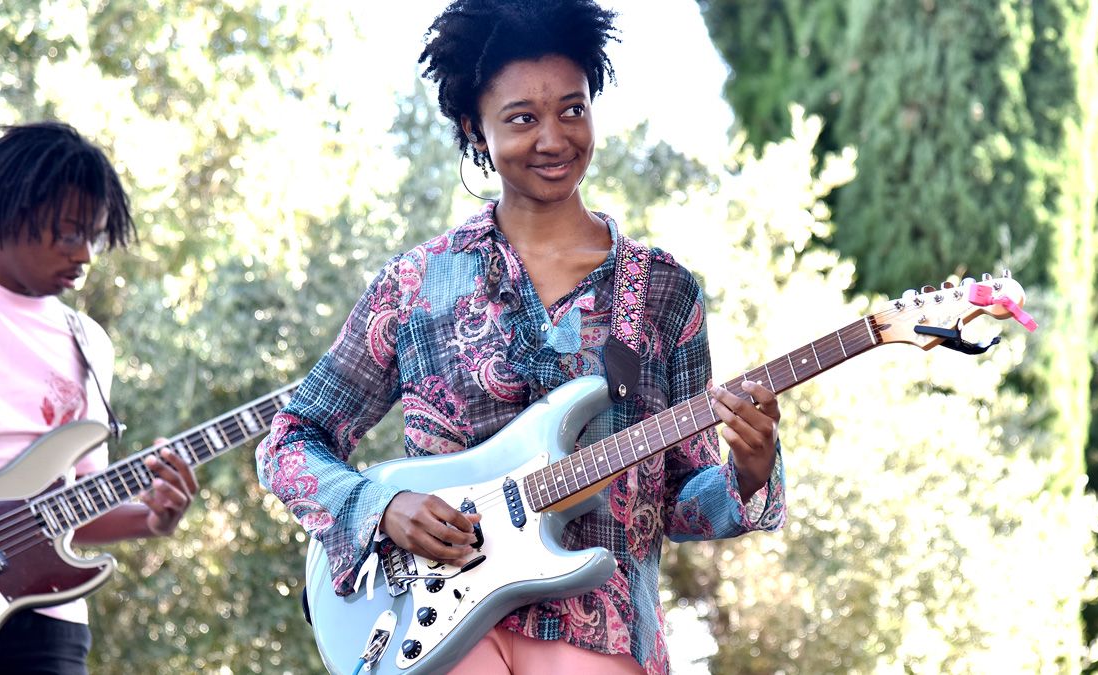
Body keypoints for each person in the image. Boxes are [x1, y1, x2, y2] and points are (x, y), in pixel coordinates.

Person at [256, 1, 786, 673]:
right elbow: (291, 438)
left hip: (603, 639)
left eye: (572, 109)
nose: (554, 138)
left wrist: (750, 467)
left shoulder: (662, 291)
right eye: (521, 118)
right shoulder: (415, 283)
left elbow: (681, 503)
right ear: (474, 129)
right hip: (434, 637)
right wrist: (381, 504)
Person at [0, 121, 198, 674]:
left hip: (47, 627)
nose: (85, 255)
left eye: (95, 237)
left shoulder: (88, 343)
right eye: (69, 233)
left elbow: (69, 511)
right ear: (14, 209)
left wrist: (150, 520)